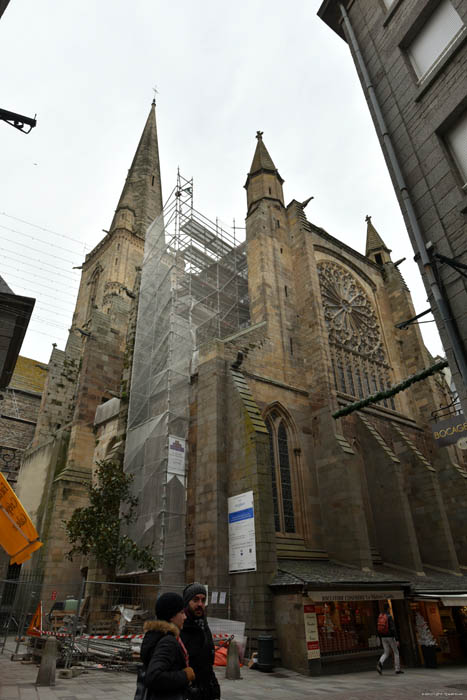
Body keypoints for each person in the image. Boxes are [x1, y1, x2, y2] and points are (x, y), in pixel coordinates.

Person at [140, 592, 196, 700]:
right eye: (181, 612)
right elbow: (154, 677)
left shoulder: (155, 635)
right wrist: (185, 675)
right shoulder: (168, 642)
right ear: (171, 616)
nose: (185, 617)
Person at [180, 583, 220, 700]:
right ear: (187, 602)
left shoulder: (204, 626)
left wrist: (215, 689)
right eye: (195, 600)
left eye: (203, 600)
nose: (200, 604)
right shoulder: (181, 629)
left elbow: (208, 664)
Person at [376, 602, 404, 675]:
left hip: (383, 637)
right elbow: (393, 628)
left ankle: (380, 662)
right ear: (388, 608)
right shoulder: (389, 616)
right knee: (396, 652)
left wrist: (380, 637)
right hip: (390, 637)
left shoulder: (380, 616)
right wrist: (397, 639)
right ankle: (397, 669)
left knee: (386, 652)